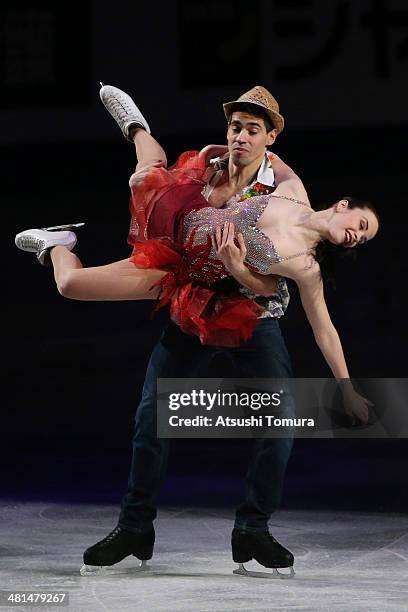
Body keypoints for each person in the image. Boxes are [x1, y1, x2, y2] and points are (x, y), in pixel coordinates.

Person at [15, 85, 378, 577]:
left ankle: (253, 530)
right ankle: (134, 528)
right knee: (145, 403)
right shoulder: (252, 177)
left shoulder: (299, 239)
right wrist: (216, 164)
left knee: (281, 416)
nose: (243, 137)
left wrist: (346, 390)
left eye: (254, 130)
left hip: (251, 313)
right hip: (189, 278)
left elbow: (299, 311)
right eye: (237, 128)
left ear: (270, 137)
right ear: (341, 206)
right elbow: (212, 183)